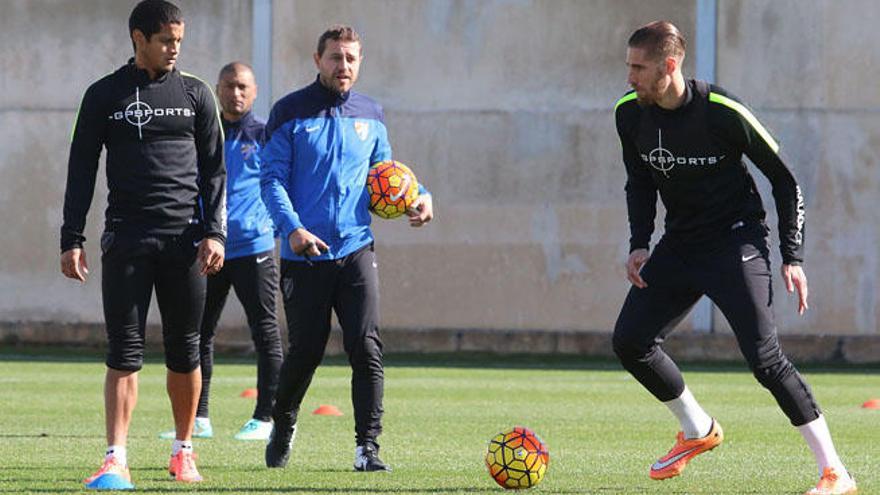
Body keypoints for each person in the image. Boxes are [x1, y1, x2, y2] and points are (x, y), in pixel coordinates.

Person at [612, 21, 856, 495]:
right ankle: (697, 429)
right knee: (630, 341)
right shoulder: (629, 114)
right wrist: (639, 241)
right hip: (680, 244)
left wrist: (793, 255)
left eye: (639, 68)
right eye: (628, 67)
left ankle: (836, 473)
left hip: (735, 242)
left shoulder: (722, 111)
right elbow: (638, 180)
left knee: (765, 360)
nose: (630, 78)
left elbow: (785, 181)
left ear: (671, 64)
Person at [61, 0, 224, 488]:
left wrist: (215, 232)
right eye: (166, 41)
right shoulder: (104, 95)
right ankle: (116, 457)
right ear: (139, 39)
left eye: (179, 40)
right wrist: (72, 238)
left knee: (186, 350)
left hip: (186, 242)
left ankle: (183, 451)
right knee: (124, 351)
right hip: (128, 239)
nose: (175, 49)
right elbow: (81, 169)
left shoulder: (196, 94)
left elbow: (215, 172)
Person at [260, 24, 433, 472]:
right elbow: (272, 179)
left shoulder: (371, 113)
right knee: (307, 351)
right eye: (335, 57)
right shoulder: (289, 112)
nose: (344, 66)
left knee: (366, 346)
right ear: (318, 60)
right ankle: (285, 420)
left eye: (351, 58)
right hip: (305, 254)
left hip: (356, 249)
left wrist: (420, 197)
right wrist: (292, 228)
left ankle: (367, 448)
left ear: (360, 62)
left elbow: (388, 178)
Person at [157, 62, 283, 442]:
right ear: (217, 89)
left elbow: (281, 182)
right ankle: (199, 417)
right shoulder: (203, 133)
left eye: (243, 86)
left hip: (253, 247)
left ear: (255, 91)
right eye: (228, 86)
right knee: (197, 332)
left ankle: (265, 418)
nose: (236, 93)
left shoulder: (265, 135)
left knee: (265, 332)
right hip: (210, 247)